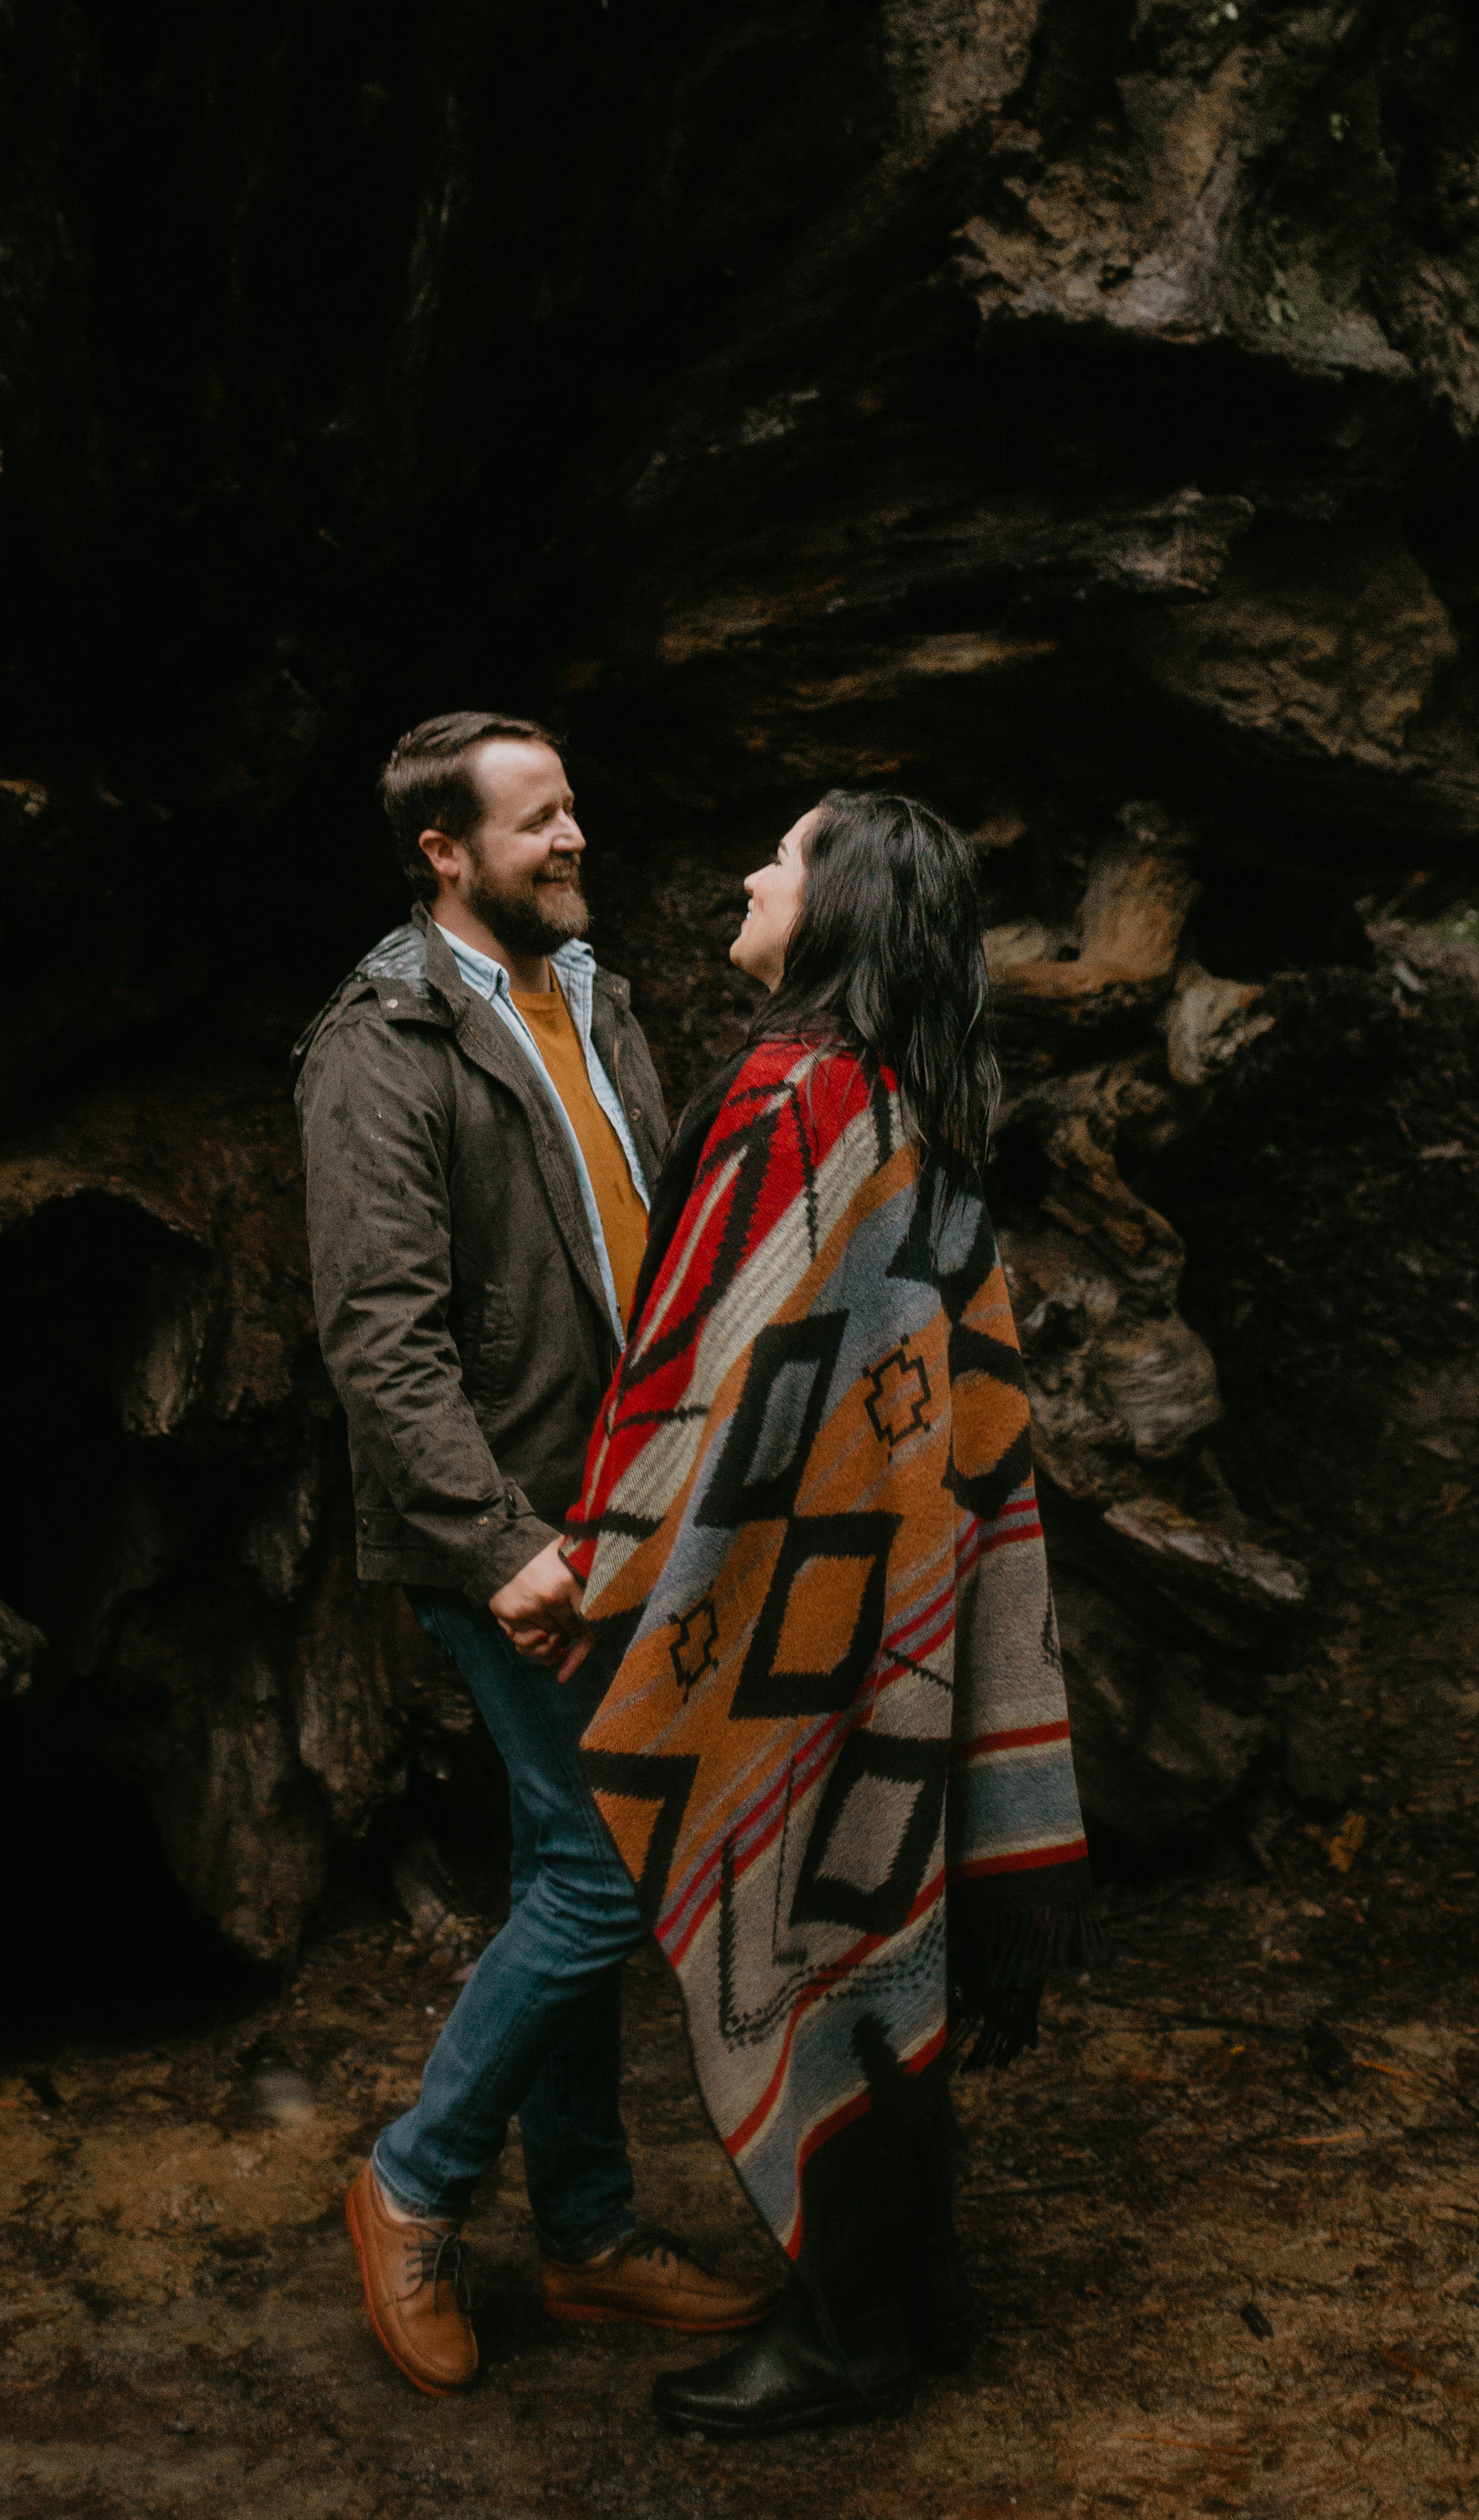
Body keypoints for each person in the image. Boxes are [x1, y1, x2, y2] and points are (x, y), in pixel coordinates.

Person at [559, 790, 1102, 2439]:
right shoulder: (917, 1111)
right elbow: (971, 1414)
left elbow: (698, 1388)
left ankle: (847, 2327)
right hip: (897, 1623)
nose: (748, 872)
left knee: (811, 1934)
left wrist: (598, 1562)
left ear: (842, 906)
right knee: (883, 1925)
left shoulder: (797, 1105)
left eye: (782, 857)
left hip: (795, 1642)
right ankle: (901, 2279)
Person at [293, 711, 776, 2397]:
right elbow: (380, 1339)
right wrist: (500, 1543)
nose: (575, 835)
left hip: (626, 1518)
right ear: (443, 851)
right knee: (604, 1871)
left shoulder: (592, 993)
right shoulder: (379, 1043)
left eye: (573, 802)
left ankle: (582, 2235)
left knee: (576, 1853)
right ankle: (412, 2183)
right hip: (511, 1540)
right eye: (535, 818)